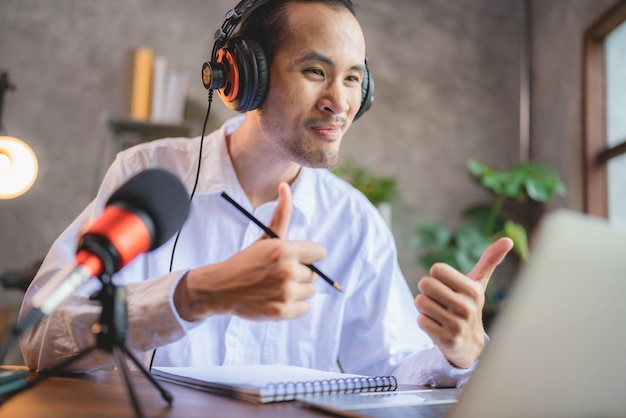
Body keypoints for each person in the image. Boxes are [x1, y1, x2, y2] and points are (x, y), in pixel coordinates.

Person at [18, 0, 513, 387]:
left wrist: (458, 354)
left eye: (354, 78)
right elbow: (42, 335)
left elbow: (395, 365)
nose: (340, 102)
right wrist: (196, 293)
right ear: (243, 78)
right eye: (316, 72)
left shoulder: (354, 222)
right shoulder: (149, 172)